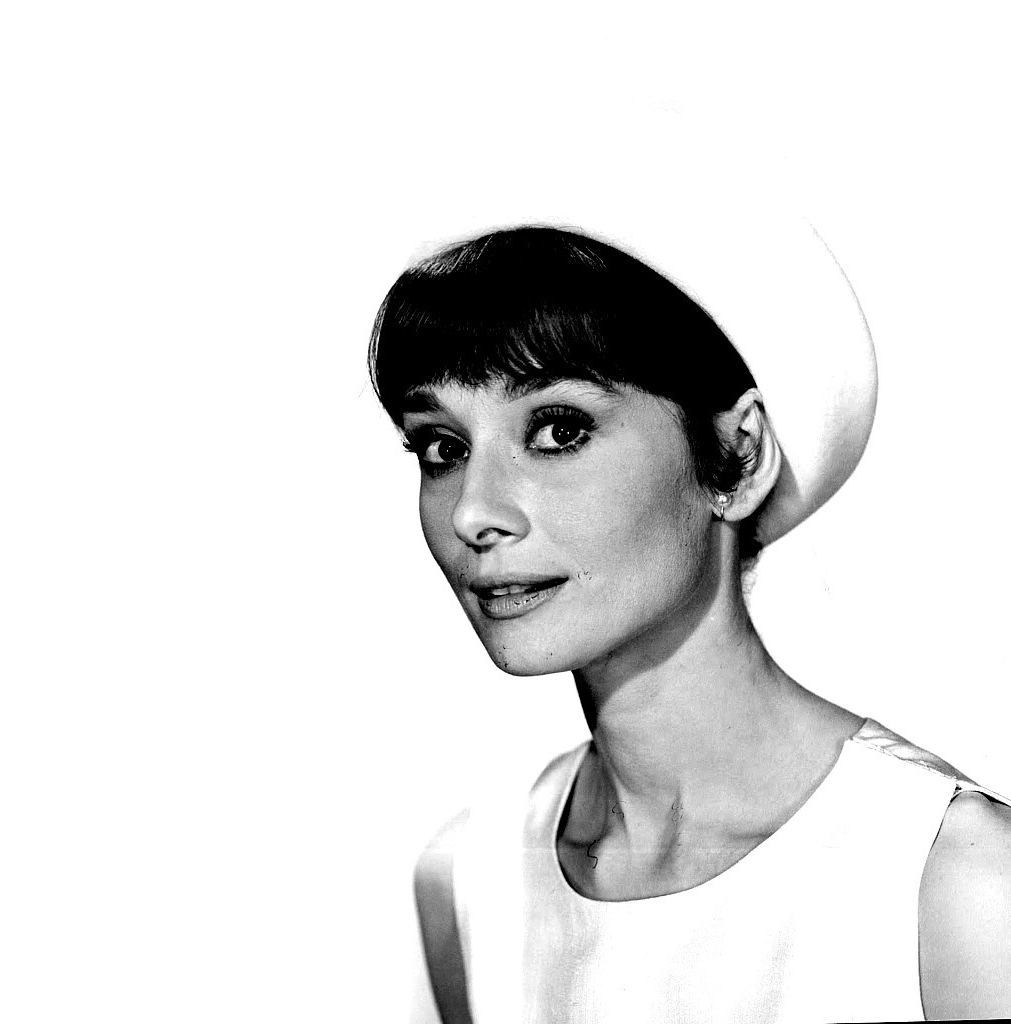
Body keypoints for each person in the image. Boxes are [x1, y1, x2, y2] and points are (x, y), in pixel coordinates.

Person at [368, 224, 1011, 1022]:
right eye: (441, 447)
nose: (473, 512)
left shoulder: (956, 883)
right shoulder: (471, 881)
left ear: (738, 456)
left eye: (559, 430)